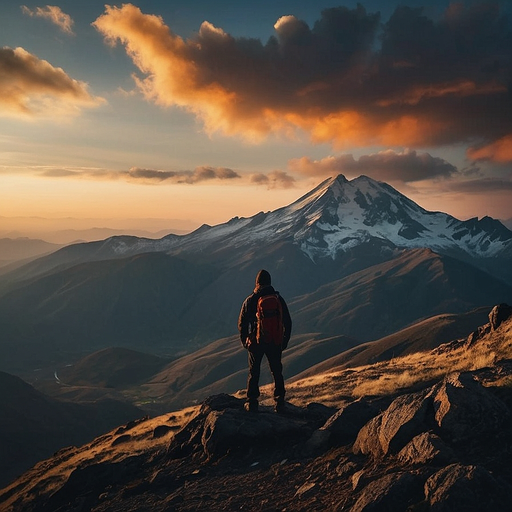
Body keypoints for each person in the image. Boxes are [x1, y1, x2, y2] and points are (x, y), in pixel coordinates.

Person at [238, 269, 292, 413]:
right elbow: (287, 320)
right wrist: (284, 340)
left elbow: (242, 323)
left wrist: (245, 342)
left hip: (256, 342)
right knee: (276, 370)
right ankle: (280, 401)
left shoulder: (250, 300)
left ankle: (252, 402)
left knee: (254, 371)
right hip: (274, 341)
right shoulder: (278, 299)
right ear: (269, 282)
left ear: (257, 283)